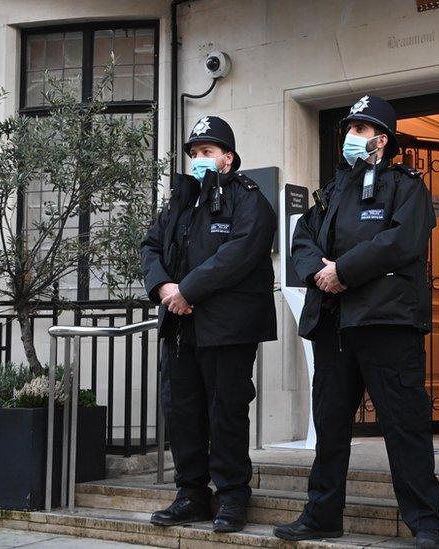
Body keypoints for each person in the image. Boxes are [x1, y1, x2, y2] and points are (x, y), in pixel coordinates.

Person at [275, 94, 439, 548]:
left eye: (359, 129)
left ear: (381, 139)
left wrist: (343, 271)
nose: (349, 137)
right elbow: (303, 236)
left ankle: (425, 522)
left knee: (403, 426)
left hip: (386, 323)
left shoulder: (406, 185)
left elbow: (401, 242)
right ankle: (322, 515)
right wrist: (319, 272)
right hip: (334, 325)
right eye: (348, 128)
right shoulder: (333, 190)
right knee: (330, 428)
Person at [140, 115, 277, 532]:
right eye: (195, 153)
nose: (199, 160)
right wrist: (164, 288)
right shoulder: (180, 202)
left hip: (228, 329)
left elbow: (238, 254)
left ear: (228, 158)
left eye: (208, 153)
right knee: (182, 412)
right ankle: (191, 494)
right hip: (180, 329)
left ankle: (233, 495)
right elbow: (150, 246)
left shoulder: (248, 199)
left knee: (226, 413)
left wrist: (188, 291)